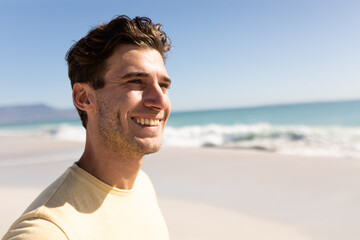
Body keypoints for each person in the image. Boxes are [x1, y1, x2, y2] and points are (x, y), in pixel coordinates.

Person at [3, 15, 171, 240]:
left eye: (163, 85)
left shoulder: (142, 185)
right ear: (84, 97)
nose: (159, 101)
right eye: (135, 82)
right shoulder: (46, 231)